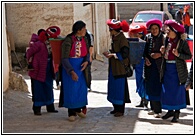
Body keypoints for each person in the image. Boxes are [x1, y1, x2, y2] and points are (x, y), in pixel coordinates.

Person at [160, 20, 192, 122]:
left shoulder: (182, 42)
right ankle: (170, 111)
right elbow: (165, 55)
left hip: (177, 70)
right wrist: (162, 52)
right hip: (167, 69)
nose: (167, 32)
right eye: (167, 30)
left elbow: (189, 56)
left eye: (169, 30)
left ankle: (177, 113)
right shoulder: (166, 40)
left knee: (177, 91)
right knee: (168, 91)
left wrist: (178, 55)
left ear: (175, 31)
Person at [59, 20, 89, 122]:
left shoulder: (85, 39)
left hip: (81, 68)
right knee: (71, 90)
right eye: (84, 29)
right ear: (78, 30)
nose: (85, 30)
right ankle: (71, 112)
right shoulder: (68, 40)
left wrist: (86, 61)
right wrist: (71, 71)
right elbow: (64, 58)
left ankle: (78, 109)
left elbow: (87, 52)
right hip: (70, 67)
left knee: (81, 89)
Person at [26, 29, 58, 115]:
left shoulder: (48, 43)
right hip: (38, 70)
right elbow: (29, 53)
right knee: (38, 89)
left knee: (48, 88)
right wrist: (31, 63)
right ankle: (37, 109)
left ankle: (50, 107)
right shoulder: (37, 44)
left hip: (48, 69)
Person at [103, 19, 131, 117]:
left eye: (111, 30)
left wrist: (113, 55)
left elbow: (125, 53)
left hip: (120, 68)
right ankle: (115, 108)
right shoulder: (115, 38)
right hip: (114, 68)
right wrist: (109, 53)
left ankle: (120, 110)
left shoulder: (122, 39)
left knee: (120, 89)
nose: (110, 32)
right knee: (114, 88)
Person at [143, 19, 165, 118]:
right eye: (152, 29)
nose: (154, 30)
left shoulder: (163, 38)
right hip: (149, 66)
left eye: (156, 28)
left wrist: (159, 54)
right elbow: (144, 51)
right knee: (150, 86)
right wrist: (146, 59)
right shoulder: (148, 38)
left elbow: (167, 52)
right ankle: (152, 108)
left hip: (159, 66)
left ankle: (158, 110)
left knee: (157, 87)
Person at [128, 25, 148, 108]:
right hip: (137, 65)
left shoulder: (146, 42)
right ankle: (142, 99)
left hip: (143, 64)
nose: (137, 35)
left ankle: (146, 100)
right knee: (138, 82)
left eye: (139, 33)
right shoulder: (134, 43)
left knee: (144, 82)